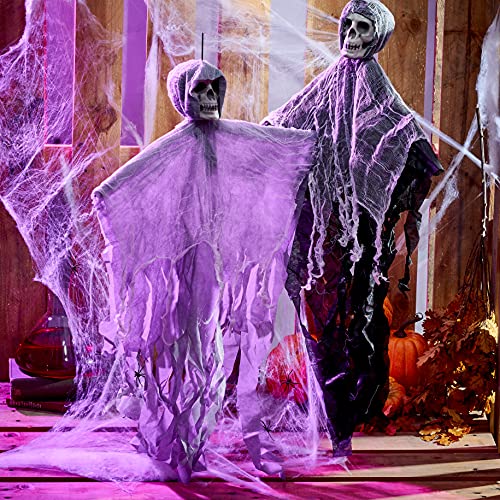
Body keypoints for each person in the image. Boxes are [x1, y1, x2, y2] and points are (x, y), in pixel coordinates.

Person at [262, 0, 443, 457]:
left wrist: (396, 183)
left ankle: (352, 416)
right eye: (349, 27)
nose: (352, 37)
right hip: (325, 232)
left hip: (362, 237)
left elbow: (410, 145)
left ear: (377, 37)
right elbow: (284, 125)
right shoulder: (324, 89)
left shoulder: (382, 97)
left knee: (362, 321)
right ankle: (333, 418)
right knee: (323, 321)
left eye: (363, 29)